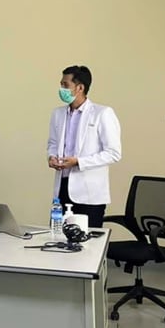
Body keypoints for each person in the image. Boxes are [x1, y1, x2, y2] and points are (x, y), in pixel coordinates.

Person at [46, 65, 122, 227]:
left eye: (65, 85)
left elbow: (113, 153)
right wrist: (52, 156)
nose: (61, 89)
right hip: (62, 188)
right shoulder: (58, 114)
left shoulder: (102, 113)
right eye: (61, 84)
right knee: (57, 239)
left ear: (80, 88)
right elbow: (53, 143)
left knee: (88, 245)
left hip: (89, 193)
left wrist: (79, 162)